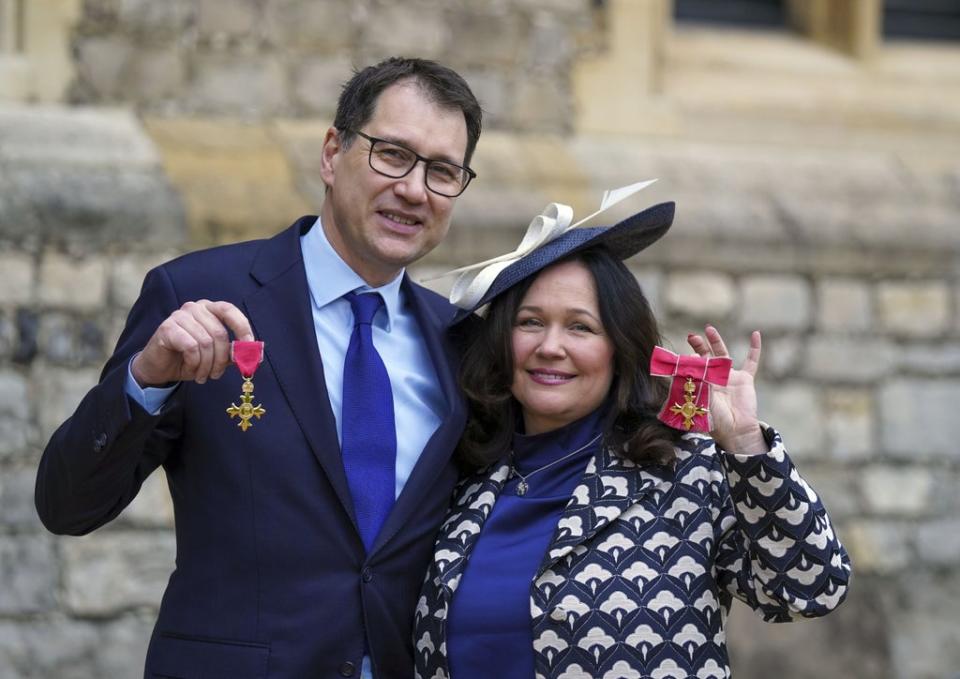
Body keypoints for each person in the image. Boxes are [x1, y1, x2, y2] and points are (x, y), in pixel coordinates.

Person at [35, 57, 482, 679]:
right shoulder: (198, 296)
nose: (413, 189)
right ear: (332, 153)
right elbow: (67, 504)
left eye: (442, 171)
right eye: (392, 155)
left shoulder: (461, 341)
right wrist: (146, 380)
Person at [414, 201, 851, 678]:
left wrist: (746, 444)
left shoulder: (685, 469)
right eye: (531, 322)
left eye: (580, 326)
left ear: (619, 348)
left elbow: (812, 588)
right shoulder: (463, 477)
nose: (550, 347)